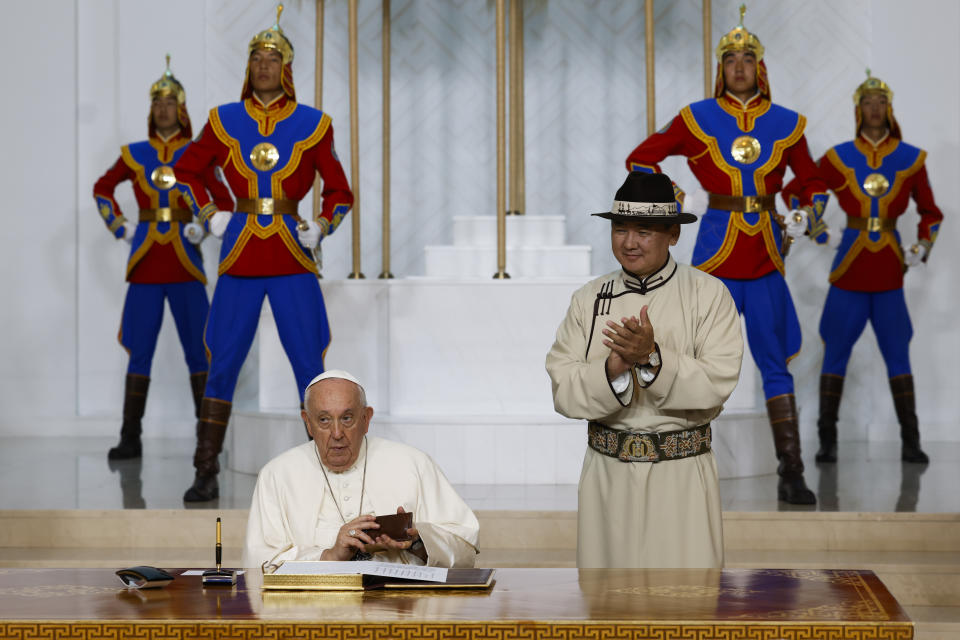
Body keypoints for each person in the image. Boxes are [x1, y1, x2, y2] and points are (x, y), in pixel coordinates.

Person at [623, 6, 827, 504]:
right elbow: (642, 156)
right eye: (731, 57)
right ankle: (674, 463)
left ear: (761, 67)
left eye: (748, 58)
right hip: (715, 252)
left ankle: (792, 470)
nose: (739, 65)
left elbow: (812, 181)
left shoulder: (786, 122)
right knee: (687, 357)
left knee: (774, 362)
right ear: (721, 67)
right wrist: (672, 193)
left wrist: (806, 210)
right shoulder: (698, 117)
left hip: (764, 258)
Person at [174, 7, 354, 501]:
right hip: (241, 253)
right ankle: (206, 466)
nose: (263, 65)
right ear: (247, 66)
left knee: (309, 362)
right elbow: (187, 170)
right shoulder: (223, 119)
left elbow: (340, 192)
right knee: (223, 359)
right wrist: (210, 213)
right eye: (256, 58)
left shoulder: (315, 124)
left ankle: (325, 468)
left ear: (287, 69)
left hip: (293, 256)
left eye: (272, 59)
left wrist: (321, 225)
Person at [545, 172, 743, 569]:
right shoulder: (588, 299)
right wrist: (613, 367)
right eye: (620, 229)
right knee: (608, 608)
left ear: (674, 234)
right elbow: (564, 391)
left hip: (681, 474)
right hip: (607, 474)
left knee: (685, 604)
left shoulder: (708, 294)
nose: (629, 242)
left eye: (644, 231)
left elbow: (716, 384)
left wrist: (652, 357)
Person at [783, 72, 943, 465]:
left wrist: (922, 245)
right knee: (835, 351)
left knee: (897, 354)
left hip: (889, 270)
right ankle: (828, 441)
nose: (875, 109)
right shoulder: (839, 157)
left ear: (890, 110)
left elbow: (931, 212)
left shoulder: (911, 159)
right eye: (868, 103)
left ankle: (911, 440)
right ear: (858, 111)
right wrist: (816, 228)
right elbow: (798, 189)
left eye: (881, 103)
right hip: (849, 270)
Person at [93, 55, 234, 460]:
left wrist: (204, 224)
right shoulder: (135, 153)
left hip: (186, 262)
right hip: (146, 263)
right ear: (150, 109)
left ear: (182, 109)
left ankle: (207, 442)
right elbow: (102, 188)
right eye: (157, 102)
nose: (163, 109)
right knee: (140, 348)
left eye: (170, 102)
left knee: (199, 348)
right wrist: (120, 228)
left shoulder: (197, 152)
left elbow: (223, 200)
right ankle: (130, 435)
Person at [242, 370, 480, 571]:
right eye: (324, 420)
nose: (336, 433)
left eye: (347, 418)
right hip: (313, 613)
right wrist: (330, 556)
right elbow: (260, 564)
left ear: (366, 419)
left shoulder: (413, 464)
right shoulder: (277, 475)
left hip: (399, 611)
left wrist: (418, 541)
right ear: (308, 422)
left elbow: (465, 546)